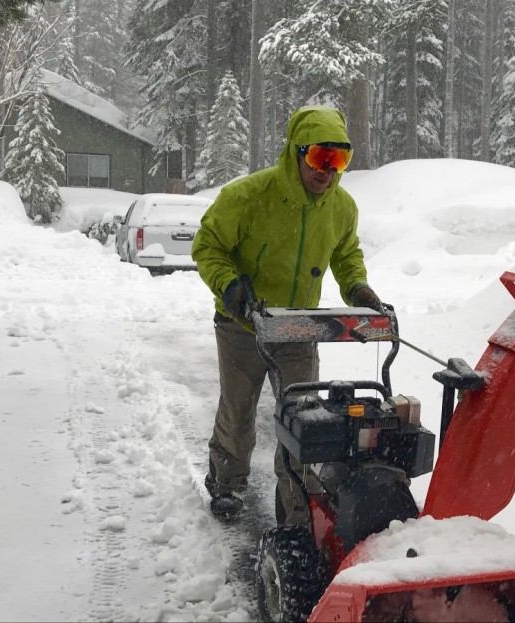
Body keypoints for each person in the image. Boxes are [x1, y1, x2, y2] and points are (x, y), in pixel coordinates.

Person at [191, 105, 384, 522]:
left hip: (298, 325)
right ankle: (226, 481)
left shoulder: (341, 208)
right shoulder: (248, 196)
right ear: (296, 153)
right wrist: (230, 285)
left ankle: (295, 498)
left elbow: (346, 255)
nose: (328, 171)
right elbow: (207, 245)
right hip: (244, 322)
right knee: (239, 408)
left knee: (303, 416)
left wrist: (357, 287)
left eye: (340, 160)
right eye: (319, 157)